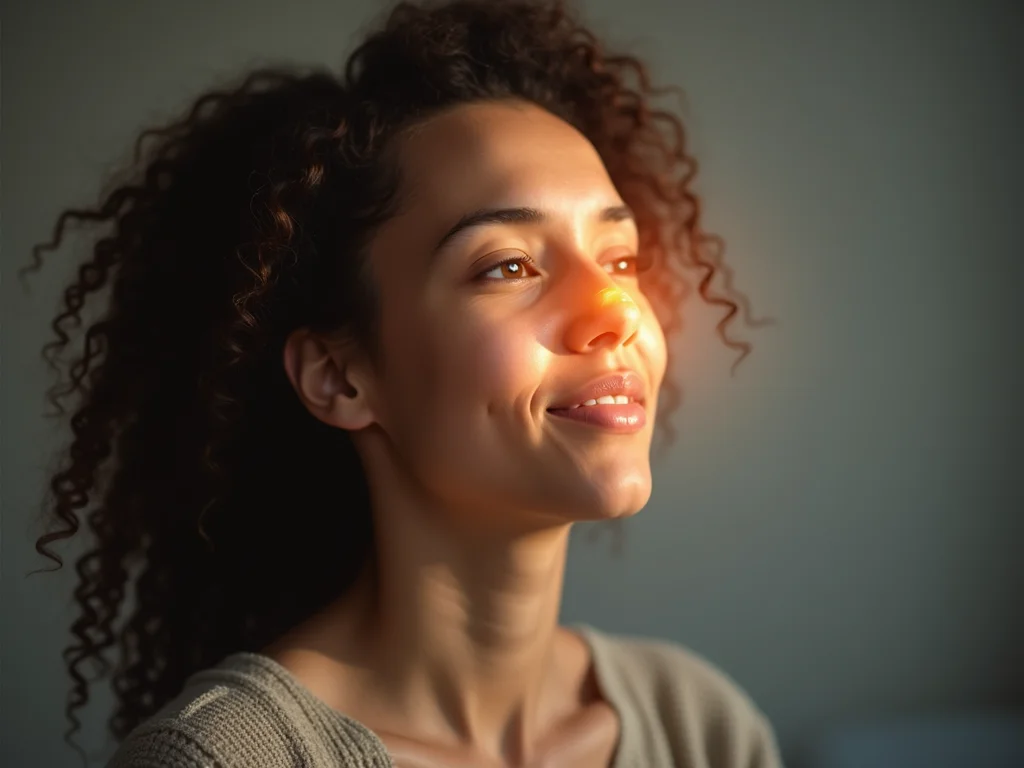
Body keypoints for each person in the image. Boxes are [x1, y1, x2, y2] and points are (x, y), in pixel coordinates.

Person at [27, 0, 781, 765]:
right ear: (339, 378)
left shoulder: (702, 727)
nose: (614, 311)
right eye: (509, 266)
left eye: (619, 258)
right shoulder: (220, 758)